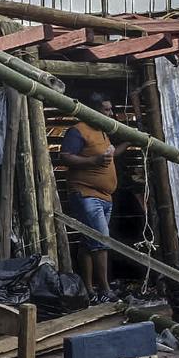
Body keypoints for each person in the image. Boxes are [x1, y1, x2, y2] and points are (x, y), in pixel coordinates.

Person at [60, 93, 129, 303]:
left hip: (104, 196)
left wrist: (128, 141)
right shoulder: (78, 130)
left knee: (88, 243)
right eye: (106, 110)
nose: (110, 114)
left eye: (110, 110)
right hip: (86, 193)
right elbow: (65, 156)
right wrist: (93, 161)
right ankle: (105, 289)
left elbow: (110, 156)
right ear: (93, 110)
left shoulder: (103, 132)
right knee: (101, 241)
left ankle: (88, 290)